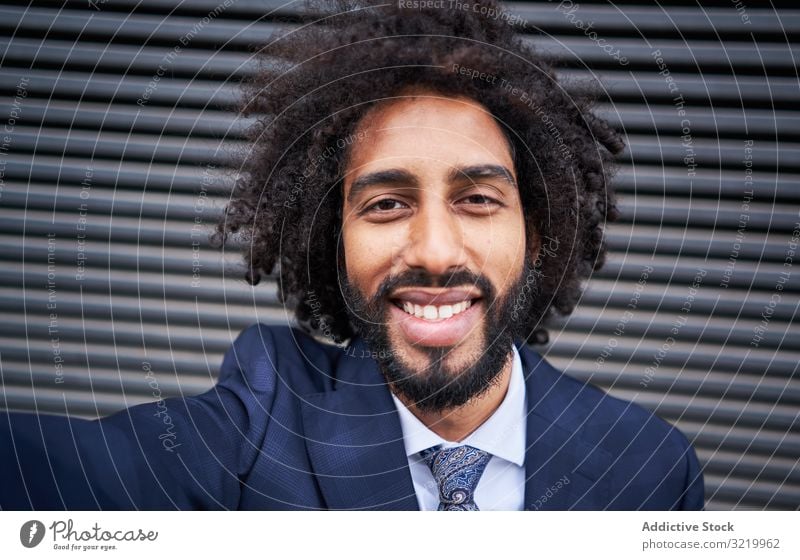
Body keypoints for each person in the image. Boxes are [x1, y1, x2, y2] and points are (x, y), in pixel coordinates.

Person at [0, 0, 703, 510]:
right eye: (386, 204)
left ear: (539, 233)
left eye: (479, 199)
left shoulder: (650, 470)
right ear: (334, 243)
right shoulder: (261, 421)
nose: (433, 250)